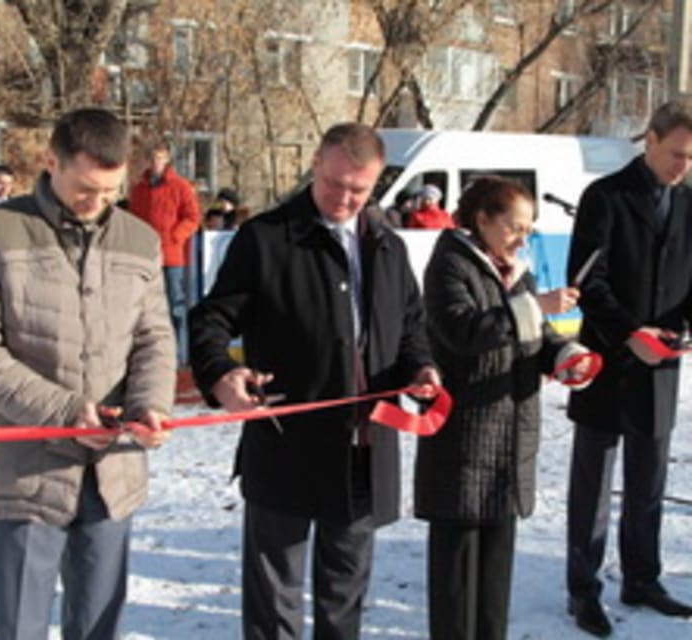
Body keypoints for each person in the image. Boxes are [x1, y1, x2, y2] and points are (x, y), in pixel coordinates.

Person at [188, 122, 440, 639]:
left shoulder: (387, 246)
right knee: (274, 594)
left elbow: (411, 326)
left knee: (344, 590)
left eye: (358, 190)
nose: (344, 199)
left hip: (363, 447)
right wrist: (221, 374)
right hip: (286, 444)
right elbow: (211, 320)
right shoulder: (266, 238)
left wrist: (421, 368)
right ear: (315, 166)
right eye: (333, 184)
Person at [0, 108, 176, 640]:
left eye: (112, 190)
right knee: (20, 625)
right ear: (52, 162)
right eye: (86, 188)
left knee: (99, 624)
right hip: (25, 470)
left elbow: (154, 338)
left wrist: (150, 405)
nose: (99, 202)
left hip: (111, 471)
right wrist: (66, 412)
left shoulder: (139, 239)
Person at [414, 176, 590, 640]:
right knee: (457, 574)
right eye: (514, 226)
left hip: (511, 439)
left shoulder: (517, 269)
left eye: (529, 229)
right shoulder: (450, 264)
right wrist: (534, 307)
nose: (522, 238)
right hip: (464, 438)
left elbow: (537, 336)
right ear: (483, 220)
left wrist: (565, 355)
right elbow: (464, 331)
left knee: (495, 576)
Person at [564, 101, 692, 637]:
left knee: (648, 482)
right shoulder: (606, 197)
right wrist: (629, 334)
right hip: (609, 360)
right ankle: (583, 589)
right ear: (650, 140)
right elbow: (586, 281)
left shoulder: (688, 203)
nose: (683, 165)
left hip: (662, 364)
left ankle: (642, 577)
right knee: (593, 486)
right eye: (677, 153)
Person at [128, 138, 201, 365]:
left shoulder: (180, 187)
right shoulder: (139, 189)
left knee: (175, 306)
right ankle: (150, 355)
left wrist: (175, 236)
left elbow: (192, 217)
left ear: (167, 159)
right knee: (145, 307)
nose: (155, 163)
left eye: (160, 158)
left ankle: (179, 355)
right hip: (146, 255)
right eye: (152, 158)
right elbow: (133, 220)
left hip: (171, 256)